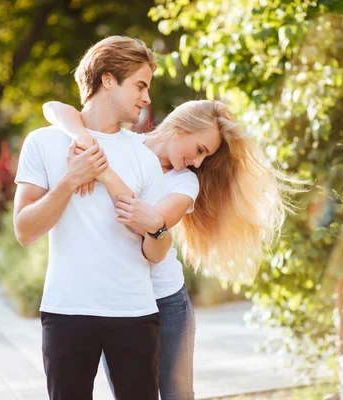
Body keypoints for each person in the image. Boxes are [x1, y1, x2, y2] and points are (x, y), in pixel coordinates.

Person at [42, 98, 299, 400]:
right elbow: (54, 109)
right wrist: (83, 140)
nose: (199, 162)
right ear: (182, 127)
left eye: (206, 156)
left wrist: (102, 171)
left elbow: (149, 225)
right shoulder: (126, 145)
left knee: (178, 396)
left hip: (166, 303)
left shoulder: (185, 182)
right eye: (201, 150)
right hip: (120, 302)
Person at [13, 36, 172, 400]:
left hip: (134, 311)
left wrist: (156, 227)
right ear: (109, 80)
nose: (147, 98)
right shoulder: (43, 143)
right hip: (67, 310)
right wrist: (70, 180)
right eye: (140, 85)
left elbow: (157, 251)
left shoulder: (143, 156)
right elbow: (24, 231)